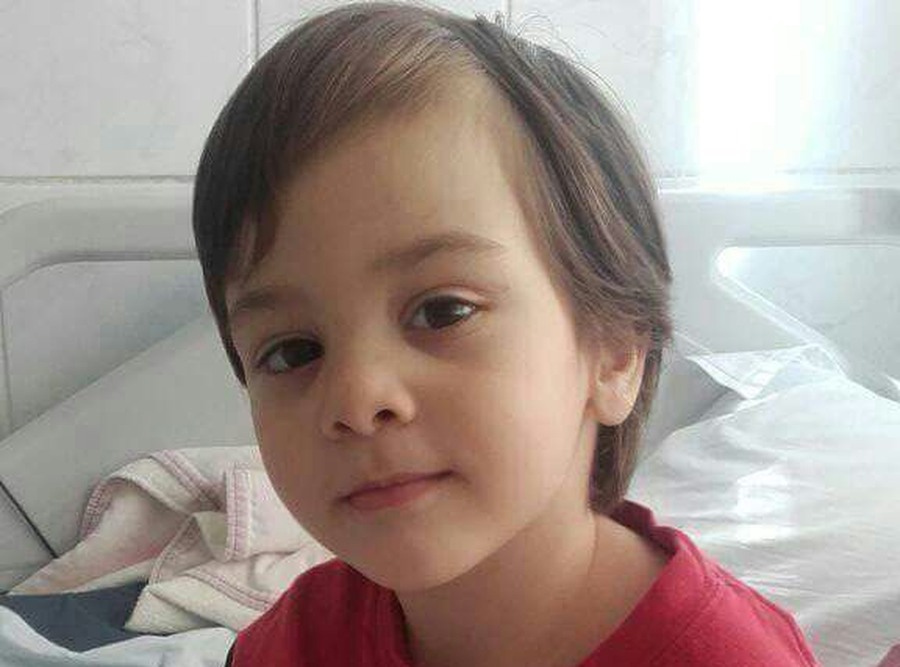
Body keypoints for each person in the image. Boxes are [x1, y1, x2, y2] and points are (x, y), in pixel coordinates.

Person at [192, 2, 821, 665]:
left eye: (442, 312)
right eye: (292, 351)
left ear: (614, 350)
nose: (355, 397)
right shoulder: (296, 642)